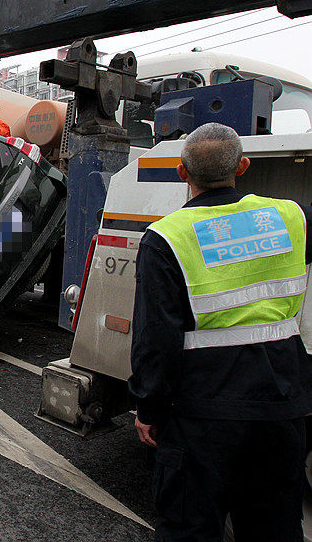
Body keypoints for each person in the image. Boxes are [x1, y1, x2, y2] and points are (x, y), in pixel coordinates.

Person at [129, 122, 312, 541]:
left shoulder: (166, 238)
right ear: (244, 166)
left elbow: (156, 340)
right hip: (281, 409)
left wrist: (149, 410)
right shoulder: (292, 217)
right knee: (274, 529)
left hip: (201, 418)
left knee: (189, 529)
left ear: (182, 173)